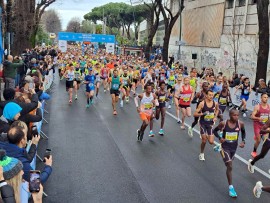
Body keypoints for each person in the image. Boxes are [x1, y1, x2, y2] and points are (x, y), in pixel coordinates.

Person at [213, 109, 246, 198]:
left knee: (228, 165)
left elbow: (243, 132)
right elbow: (214, 131)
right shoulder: (223, 123)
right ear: (230, 115)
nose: (236, 117)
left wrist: (243, 141)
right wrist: (220, 138)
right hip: (225, 146)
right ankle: (231, 188)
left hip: (233, 148)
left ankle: (220, 151)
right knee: (230, 165)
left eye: (237, 115)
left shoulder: (240, 124)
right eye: (234, 115)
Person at [194, 90, 219, 161]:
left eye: (212, 95)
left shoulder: (215, 103)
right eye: (210, 95)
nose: (211, 96)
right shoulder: (202, 104)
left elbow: (217, 110)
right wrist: (203, 114)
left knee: (211, 142)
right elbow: (195, 114)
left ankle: (206, 135)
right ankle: (201, 153)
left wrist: (215, 117)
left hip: (210, 124)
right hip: (202, 123)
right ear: (206, 96)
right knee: (204, 141)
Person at [250, 93, 270, 158]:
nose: (266, 99)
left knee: (266, 141)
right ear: (261, 98)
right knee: (258, 140)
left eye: (267, 97)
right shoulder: (257, 107)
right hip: (257, 125)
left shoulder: (269, 107)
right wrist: (258, 118)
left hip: (264, 126)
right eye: (264, 97)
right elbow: (252, 116)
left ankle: (257, 135)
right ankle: (254, 151)